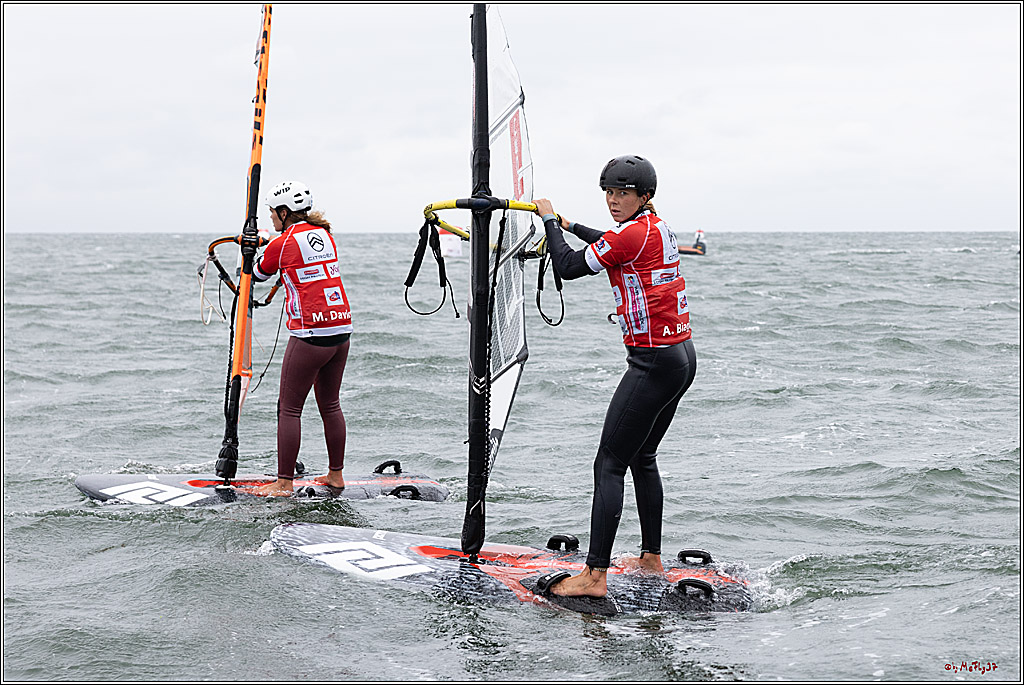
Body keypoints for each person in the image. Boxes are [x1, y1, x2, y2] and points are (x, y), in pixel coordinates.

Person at [533, 155, 697, 597]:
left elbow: (568, 266)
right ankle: (651, 557)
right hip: (681, 358)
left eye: (623, 193)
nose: (613, 200)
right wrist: (568, 224)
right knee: (642, 457)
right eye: (608, 192)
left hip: (653, 364)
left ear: (645, 196)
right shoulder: (655, 227)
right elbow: (611, 240)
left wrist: (549, 221)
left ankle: (593, 577)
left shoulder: (632, 233)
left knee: (609, 463)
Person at [250, 181, 353, 496]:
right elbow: (296, 254)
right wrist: (270, 242)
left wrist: (253, 247)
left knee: (289, 408)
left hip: (310, 335)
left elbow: (258, 274)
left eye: (271, 212)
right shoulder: (325, 234)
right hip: (341, 330)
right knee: (330, 404)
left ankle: (283, 483)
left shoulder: (281, 244)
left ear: (284, 212)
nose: (270, 217)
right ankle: (336, 476)